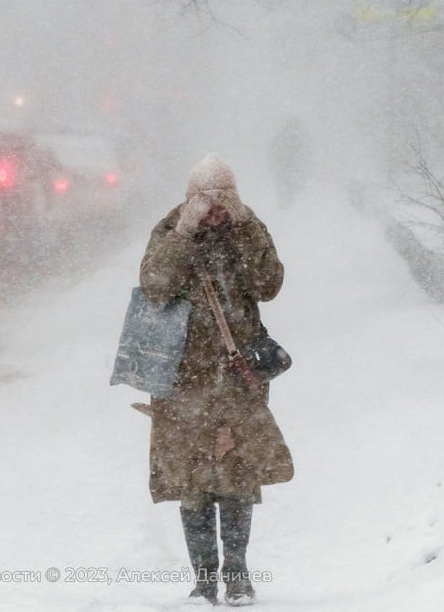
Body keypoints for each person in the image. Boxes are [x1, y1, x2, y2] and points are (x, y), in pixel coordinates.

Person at [138, 154, 290, 606]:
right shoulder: (171, 232)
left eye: (224, 203)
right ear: (191, 203)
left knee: (237, 477)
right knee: (194, 482)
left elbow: (269, 284)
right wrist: (185, 234)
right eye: (207, 204)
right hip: (183, 380)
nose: (216, 213)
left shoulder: (245, 229)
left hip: (237, 376)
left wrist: (244, 227)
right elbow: (155, 284)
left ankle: (238, 575)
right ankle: (204, 580)